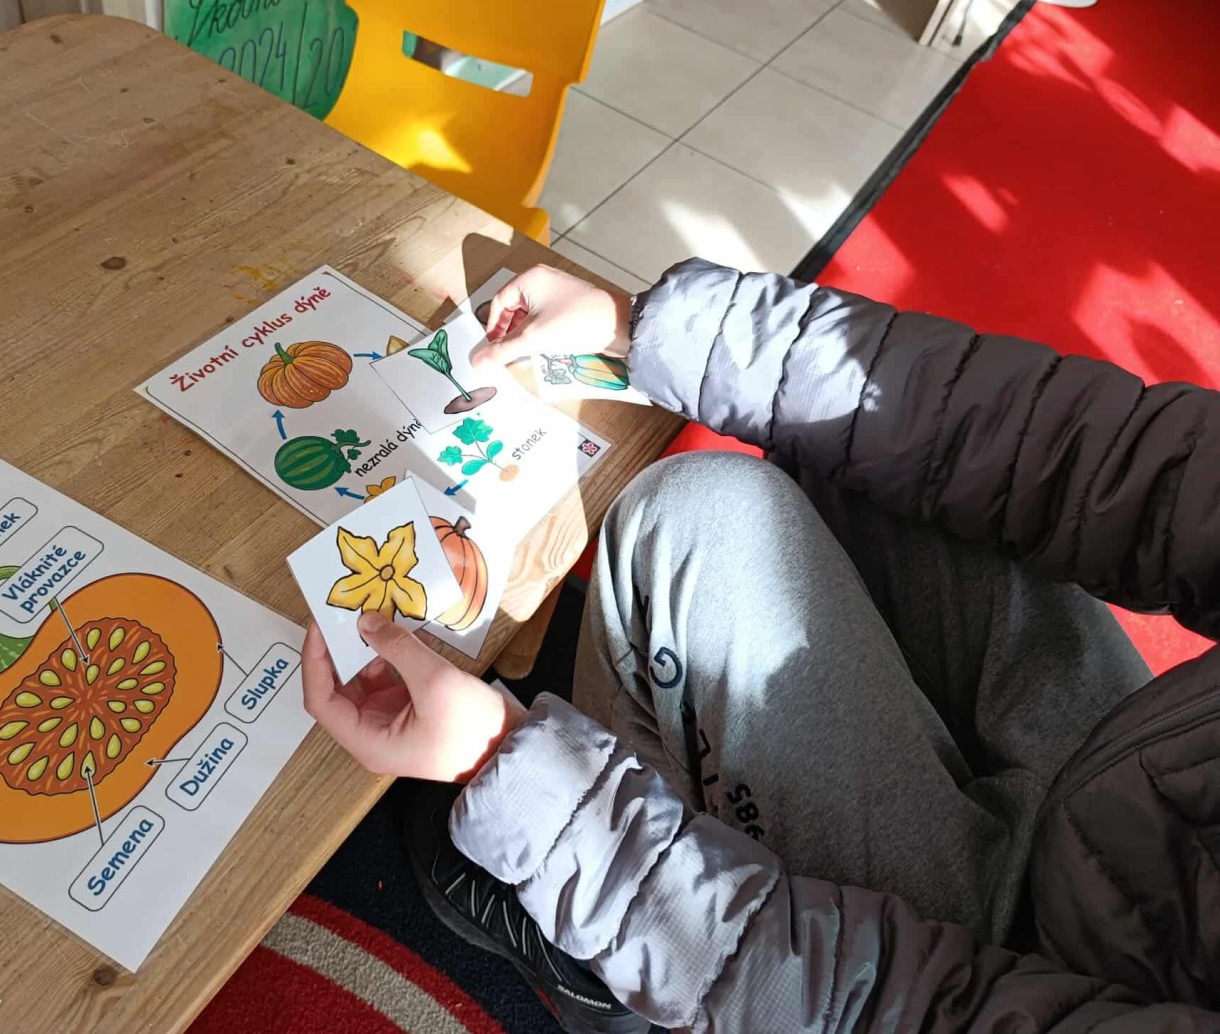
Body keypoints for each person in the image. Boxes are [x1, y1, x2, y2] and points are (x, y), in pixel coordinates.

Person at [301, 259, 1220, 1034]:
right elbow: (1083, 456)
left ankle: (610, 972)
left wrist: (535, 796)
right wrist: (649, 330)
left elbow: (899, 1015)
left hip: (1026, 992)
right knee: (881, 473)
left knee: (689, 521)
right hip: (1128, 818)